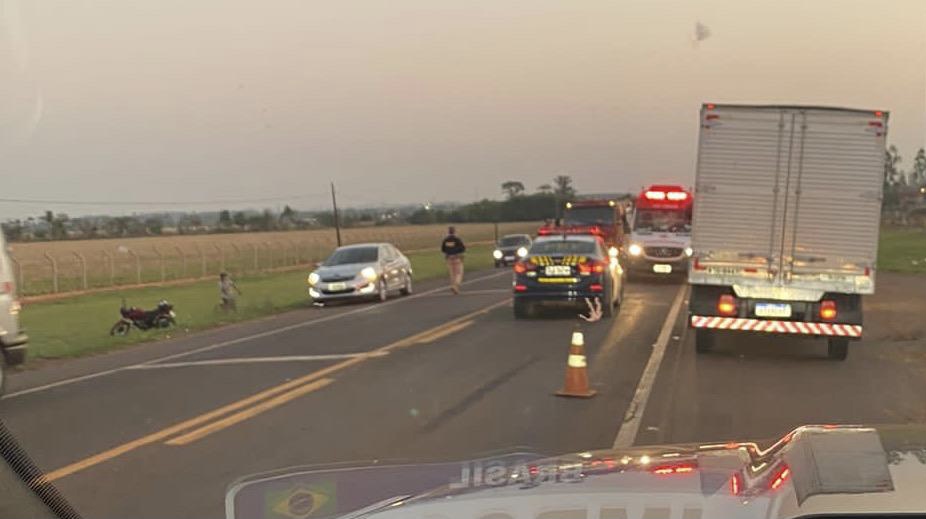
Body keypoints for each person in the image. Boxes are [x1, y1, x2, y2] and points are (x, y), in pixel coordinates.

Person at [440, 226, 466, 294]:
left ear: (448, 231)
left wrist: (447, 253)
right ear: (454, 231)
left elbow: (443, 249)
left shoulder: (445, 240)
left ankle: (454, 287)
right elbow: (462, 248)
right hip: (457, 257)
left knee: (452, 274)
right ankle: (456, 285)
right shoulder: (457, 239)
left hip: (449, 258)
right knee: (459, 273)